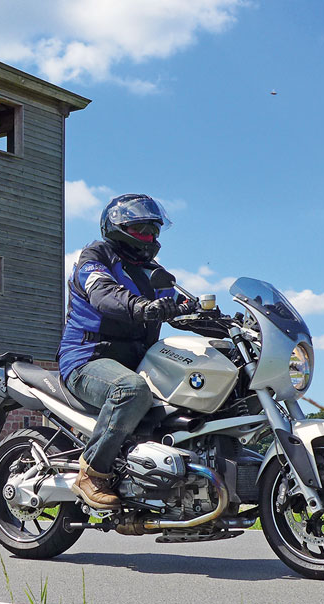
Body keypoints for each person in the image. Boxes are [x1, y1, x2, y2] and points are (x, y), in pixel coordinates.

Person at [57, 194, 197, 509]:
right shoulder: (95, 257)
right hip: (87, 358)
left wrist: (218, 319)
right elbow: (103, 293)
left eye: (153, 230)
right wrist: (142, 308)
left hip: (136, 361)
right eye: (141, 229)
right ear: (119, 228)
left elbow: (179, 306)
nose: (149, 236)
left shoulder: (152, 271)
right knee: (131, 390)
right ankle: (92, 472)